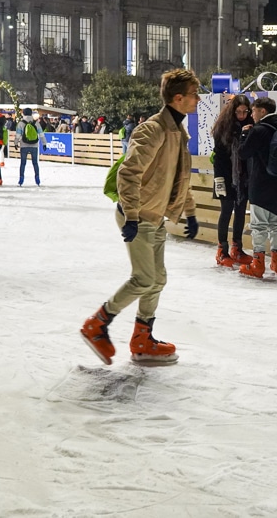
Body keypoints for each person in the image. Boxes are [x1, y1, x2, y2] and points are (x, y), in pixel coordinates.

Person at [79, 68, 199, 367]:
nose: (198, 100)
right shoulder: (153, 129)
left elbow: (179, 178)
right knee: (144, 278)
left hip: (155, 216)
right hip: (139, 215)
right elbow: (129, 173)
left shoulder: (178, 131)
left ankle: (142, 338)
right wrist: (131, 215)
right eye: (194, 95)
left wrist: (189, 211)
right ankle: (97, 324)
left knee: (157, 280)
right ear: (178, 98)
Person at [237, 96, 277, 279]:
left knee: (259, 225)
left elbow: (243, 153)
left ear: (262, 111)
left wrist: (244, 135)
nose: (251, 114)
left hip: (261, 183)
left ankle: (257, 264)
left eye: (253, 111)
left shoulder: (259, 130)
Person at [211, 95, 254, 267]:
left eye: (245, 111)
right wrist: (219, 180)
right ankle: (222, 249)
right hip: (226, 175)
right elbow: (219, 157)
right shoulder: (223, 127)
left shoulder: (250, 124)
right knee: (227, 210)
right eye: (238, 112)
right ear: (232, 111)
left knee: (241, 210)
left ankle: (237, 247)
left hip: (243, 176)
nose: (242, 115)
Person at [16, 106, 43, 186]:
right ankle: (37, 178)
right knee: (35, 163)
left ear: (23, 114)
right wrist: (44, 143)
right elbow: (41, 134)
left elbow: (18, 135)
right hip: (34, 145)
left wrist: (15, 143)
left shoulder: (21, 123)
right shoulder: (36, 123)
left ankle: (21, 179)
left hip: (23, 145)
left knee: (23, 163)